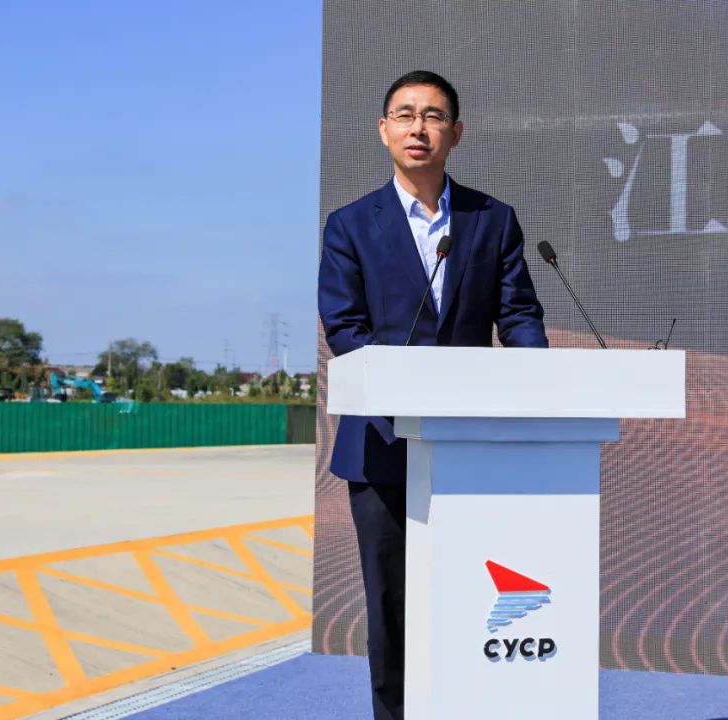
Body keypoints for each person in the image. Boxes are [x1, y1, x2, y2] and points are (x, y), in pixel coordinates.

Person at [317, 70, 548, 720]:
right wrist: (405, 386)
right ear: (384, 130)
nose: (418, 128)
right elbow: (345, 327)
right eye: (405, 114)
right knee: (391, 610)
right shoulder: (350, 225)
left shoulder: (491, 220)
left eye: (434, 116)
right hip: (382, 446)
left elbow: (519, 315)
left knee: (476, 599)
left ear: (456, 133)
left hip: (471, 444)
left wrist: (537, 377)